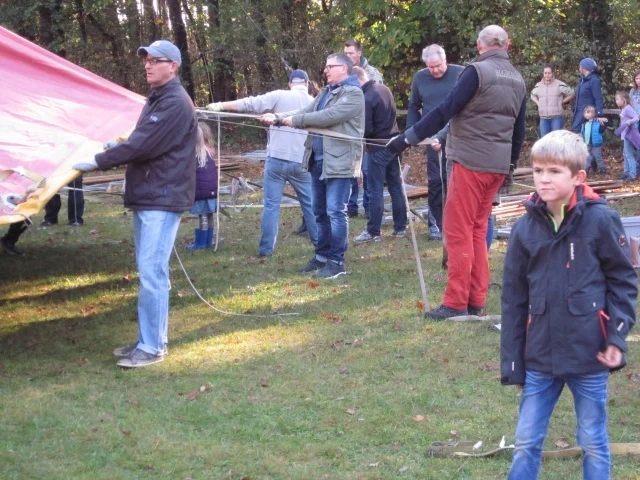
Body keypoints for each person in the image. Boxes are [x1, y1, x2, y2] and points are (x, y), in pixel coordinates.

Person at [501, 130, 637, 480]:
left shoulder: (601, 220)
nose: (544, 179)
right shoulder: (523, 229)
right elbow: (513, 300)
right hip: (539, 359)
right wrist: (514, 363)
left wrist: (616, 339)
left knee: (592, 439)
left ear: (578, 177)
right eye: (538, 170)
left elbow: (623, 283)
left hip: (589, 355)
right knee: (526, 441)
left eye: (554, 171)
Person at [72, 40, 197, 368]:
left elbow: (143, 145)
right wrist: (116, 145)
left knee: (152, 272)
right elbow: (142, 140)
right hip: (151, 194)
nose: (148, 65)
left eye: (156, 60)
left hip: (162, 197)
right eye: (146, 60)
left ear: (173, 66)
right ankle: (149, 338)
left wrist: (98, 160)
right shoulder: (158, 98)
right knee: (150, 270)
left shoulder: (174, 101)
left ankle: (152, 347)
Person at [387, 25, 527, 320]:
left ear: (479, 45)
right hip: (498, 166)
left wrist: (406, 138)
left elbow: (444, 111)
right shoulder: (517, 78)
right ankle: (476, 300)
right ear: (507, 44)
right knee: (477, 229)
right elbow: (519, 130)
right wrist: (510, 167)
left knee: (458, 230)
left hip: (470, 161)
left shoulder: (476, 72)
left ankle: (455, 303)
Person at [261, 53, 364, 279]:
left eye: (330, 66)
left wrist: (295, 121)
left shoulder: (354, 93)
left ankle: (337, 262)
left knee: (335, 211)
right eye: (326, 66)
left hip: (340, 162)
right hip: (317, 160)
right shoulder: (326, 92)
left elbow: (328, 116)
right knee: (319, 211)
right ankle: (321, 257)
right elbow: (305, 112)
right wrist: (278, 117)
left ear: (344, 68)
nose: (325, 70)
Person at [207, 70, 317, 257]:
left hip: (276, 161)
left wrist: (221, 105)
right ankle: (321, 247)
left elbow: (250, 103)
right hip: (301, 163)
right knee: (310, 205)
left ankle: (266, 249)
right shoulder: (314, 102)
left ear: (290, 83)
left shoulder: (279, 95)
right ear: (307, 84)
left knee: (271, 206)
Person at [407, 44, 464, 240]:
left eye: (438, 66)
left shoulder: (460, 74)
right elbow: (414, 106)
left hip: (458, 135)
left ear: (445, 60)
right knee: (435, 180)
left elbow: (465, 106)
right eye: (430, 67)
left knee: (454, 180)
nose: (435, 70)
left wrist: (444, 135)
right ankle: (436, 224)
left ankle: (456, 223)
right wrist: (412, 133)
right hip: (432, 138)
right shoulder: (420, 78)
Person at [351, 66, 406, 242]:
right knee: (395, 186)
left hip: (378, 148)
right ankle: (400, 228)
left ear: (357, 80)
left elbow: (367, 129)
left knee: (375, 189)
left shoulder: (366, 98)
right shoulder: (384, 89)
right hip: (394, 144)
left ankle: (373, 231)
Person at [344, 39, 383, 217]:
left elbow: (379, 97)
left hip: (368, 129)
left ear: (359, 53)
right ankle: (351, 206)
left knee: (367, 170)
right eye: (345, 53)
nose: (348, 56)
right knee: (350, 169)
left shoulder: (372, 74)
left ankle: (368, 206)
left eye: (351, 53)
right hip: (349, 128)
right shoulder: (342, 72)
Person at [185, 122, 218, 250]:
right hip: (211, 191)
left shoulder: (196, 153)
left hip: (201, 192)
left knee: (203, 215)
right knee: (209, 215)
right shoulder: (210, 151)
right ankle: (208, 241)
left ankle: (201, 243)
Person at [530, 65, 574, 137]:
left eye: (549, 73)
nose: (547, 75)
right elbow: (532, 95)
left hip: (556, 118)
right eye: (545, 73)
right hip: (543, 118)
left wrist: (562, 101)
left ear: (552, 73)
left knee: (556, 139)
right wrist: (538, 103)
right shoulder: (539, 85)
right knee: (545, 140)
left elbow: (571, 93)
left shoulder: (559, 84)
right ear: (543, 74)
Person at [571, 57, 606, 133]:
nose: (579, 68)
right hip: (579, 112)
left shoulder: (594, 80)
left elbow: (598, 98)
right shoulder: (582, 81)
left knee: (578, 132)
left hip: (588, 114)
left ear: (584, 68)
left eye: (580, 66)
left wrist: (599, 114)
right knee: (576, 132)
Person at [614, 91, 640, 180]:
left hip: (629, 134)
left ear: (624, 99)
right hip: (625, 134)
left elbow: (636, 117)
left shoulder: (628, 108)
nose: (616, 101)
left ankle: (632, 174)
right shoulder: (624, 109)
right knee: (625, 154)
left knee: (628, 154)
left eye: (617, 99)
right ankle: (626, 172)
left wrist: (630, 122)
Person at [580, 105, 607, 175]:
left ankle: (602, 169)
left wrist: (603, 123)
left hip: (596, 144)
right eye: (585, 113)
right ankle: (586, 169)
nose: (586, 114)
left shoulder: (598, 123)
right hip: (587, 143)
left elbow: (602, 130)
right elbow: (582, 133)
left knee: (598, 157)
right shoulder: (585, 124)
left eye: (588, 112)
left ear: (593, 114)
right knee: (587, 157)